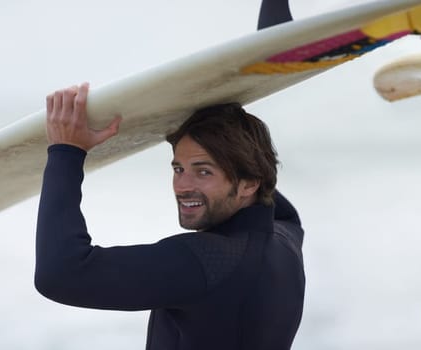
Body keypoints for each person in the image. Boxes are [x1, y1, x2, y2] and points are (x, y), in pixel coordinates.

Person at [34, 80, 304, 349]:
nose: (182, 186)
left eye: (203, 171)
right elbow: (274, 204)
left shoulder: (206, 264)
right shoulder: (286, 239)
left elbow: (60, 274)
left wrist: (66, 152)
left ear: (248, 184)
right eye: (178, 169)